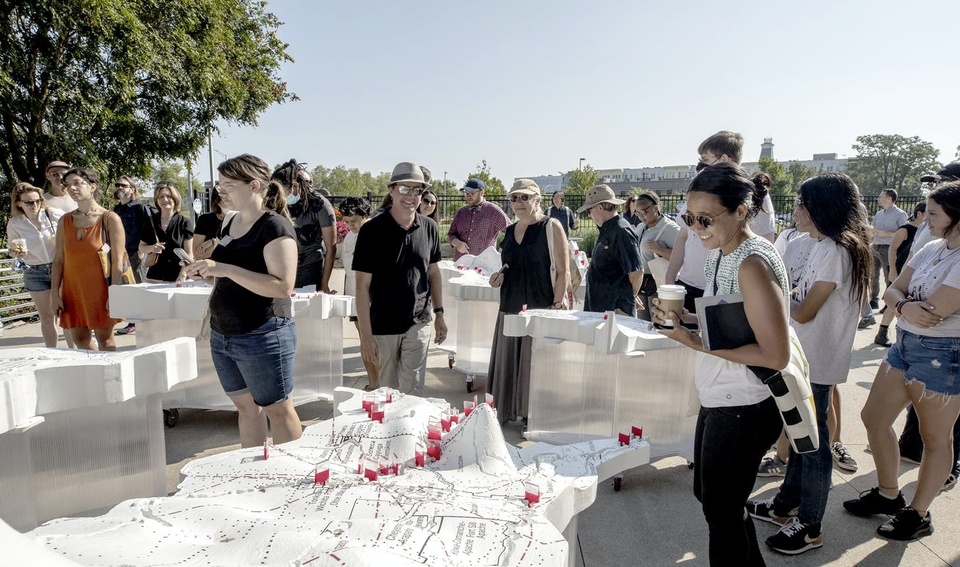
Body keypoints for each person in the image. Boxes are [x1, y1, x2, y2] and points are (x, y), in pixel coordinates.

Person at [652, 163, 790, 566]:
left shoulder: (751, 262)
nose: (696, 227)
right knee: (712, 496)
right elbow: (733, 318)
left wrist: (694, 341)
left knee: (721, 510)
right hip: (723, 394)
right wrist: (686, 319)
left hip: (746, 401)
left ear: (742, 211)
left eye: (706, 219)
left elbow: (775, 354)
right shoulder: (722, 251)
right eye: (689, 218)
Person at [745, 173, 871, 555]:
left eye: (801, 202)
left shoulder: (837, 250)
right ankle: (786, 505)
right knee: (801, 440)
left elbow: (804, 310)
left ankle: (811, 524)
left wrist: (768, 292)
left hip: (816, 361)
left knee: (813, 447)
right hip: (803, 358)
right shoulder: (817, 244)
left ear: (821, 208)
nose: (795, 209)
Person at [844, 179, 960, 541]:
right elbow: (895, 286)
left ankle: (918, 513)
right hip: (905, 345)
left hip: (943, 354)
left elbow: (937, 310)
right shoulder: (932, 248)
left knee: (934, 438)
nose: (924, 216)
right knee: (873, 417)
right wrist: (904, 304)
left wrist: (901, 304)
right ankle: (888, 493)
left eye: (934, 212)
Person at [181, 154, 302, 447]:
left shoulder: (275, 227)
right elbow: (233, 277)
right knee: (247, 408)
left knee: (277, 409)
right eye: (220, 185)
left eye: (228, 185)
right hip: (224, 333)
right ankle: (251, 474)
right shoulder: (231, 222)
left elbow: (282, 286)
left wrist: (221, 268)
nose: (220, 191)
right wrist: (207, 273)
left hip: (263, 332)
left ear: (254, 185)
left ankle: (297, 479)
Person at [353, 162, 447, 395]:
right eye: (405, 189)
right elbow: (362, 287)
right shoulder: (371, 231)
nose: (411, 196)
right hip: (383, 325)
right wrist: (366, 336)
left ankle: (410, 433)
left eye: (417, 191)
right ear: (392, 190)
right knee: (387, 393)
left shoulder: (430, 228)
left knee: (412, 392)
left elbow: (433, 273)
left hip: (418, 322)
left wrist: (440, 314)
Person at [487, 179, 569, 425]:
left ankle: (532, 417)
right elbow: (509, 264)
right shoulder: (510, 231)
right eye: (514, 198)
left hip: (540, 306)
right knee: (509, 361)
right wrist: (498, 276)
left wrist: (556, 305)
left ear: (537, 199)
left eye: (525, 197)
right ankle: (508, 410)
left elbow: (563, 270)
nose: (519, 203)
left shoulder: (551, 226)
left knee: (535, 365)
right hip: (510, 305)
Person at [51, 168, 125, 351]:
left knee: (105, 339)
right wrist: (54, 293)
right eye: (68, 185)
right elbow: (59, 259)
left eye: (77, 183)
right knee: (80, 339)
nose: (72, 188)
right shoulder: (65, 221)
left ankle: (110, 377)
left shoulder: (110, 219)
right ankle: (94, 375)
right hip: (73, 289)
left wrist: (113, 293)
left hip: (101, 288)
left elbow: (118, 260)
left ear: (92, 186)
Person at [6, 182, 67, 347]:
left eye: (37, 200)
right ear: (19, 203)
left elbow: (73, 225)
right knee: (47, 317)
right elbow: (12, 248)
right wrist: (16, 252)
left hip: (59, 268)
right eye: (29, 202)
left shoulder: (52, 214)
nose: (35, 205)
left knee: (66, 314)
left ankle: (74, 353)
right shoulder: (15, 223)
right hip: (34, 271)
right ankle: (52, 355)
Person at [270, 159, 338, 293]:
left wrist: (324, 284)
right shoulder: (276, 202)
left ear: (295, 186)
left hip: (309, 269)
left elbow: (331, 248)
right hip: (279, 266)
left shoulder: (320, 205)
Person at [578, 184, 643, 316]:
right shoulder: (609, 228)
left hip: (614, 309)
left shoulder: (621, 231)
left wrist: (630, 294)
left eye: (589, 211)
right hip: (602, 308)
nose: (589, 215)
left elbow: (636, 272)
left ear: (600, 207)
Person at [338, 196, 380, 391]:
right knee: (363, 340)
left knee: (375, 341)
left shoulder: (376, 233)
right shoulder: (349, 236)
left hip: (374, 297)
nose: (350, 225)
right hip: (355, 296)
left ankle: (383, 383)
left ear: (365, 215)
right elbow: (348, 269)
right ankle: (373, 382)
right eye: (346, 222)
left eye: (354, 221)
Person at [874, 202, 926, 347]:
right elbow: (892, 249)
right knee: (896, 304)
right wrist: (893, 270)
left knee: (899, 304)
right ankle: (883, 333)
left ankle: (889, 333)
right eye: (929, 213)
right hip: (902, 272)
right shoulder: (906, 229)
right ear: (920, 213)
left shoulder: (925, 230)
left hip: (915, 273)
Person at [860, 189, 909, 329]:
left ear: (889, 198)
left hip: (889, 248)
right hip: (875, 246)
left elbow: (904, 233)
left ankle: (888, 303)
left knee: (889, 277)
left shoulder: (900, 214)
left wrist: (886, 233)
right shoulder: (879, 214)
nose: (878, 198)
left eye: (881, 196)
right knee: (872, 275)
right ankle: (874, 300)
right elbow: (873, 229)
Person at [635, 191, 680, 321]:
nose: (642, 216)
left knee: (658, 322)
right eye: (638, 213)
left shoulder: (670, 228)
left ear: (656, 207)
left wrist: (658, 249)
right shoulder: (640, 227)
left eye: (645, 211)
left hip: (660, 282)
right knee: (642, 323)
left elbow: (682, 257)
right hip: (642, 282)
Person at [138, 183, 194, 283]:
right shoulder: (150, 221)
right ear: (157, 200)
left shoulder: (184, 222)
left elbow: (189, 253)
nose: (165, 199)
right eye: (161, 197)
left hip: (178, 277)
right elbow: (141, 247)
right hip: (155, 277)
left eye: (168, 196)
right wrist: (152, 248)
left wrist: (182, 275)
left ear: (175, 199)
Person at [447, 178, 510, 260]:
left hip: (484, 264)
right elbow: (451, 234)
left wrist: (502, 249)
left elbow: (511, 231)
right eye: (466, 193)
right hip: (461, 262)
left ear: (482, 192)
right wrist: (458, 243)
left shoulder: (493, 211)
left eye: (472, 193)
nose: (468, 196)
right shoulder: (461, 212)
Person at [193, 190, 226, 260]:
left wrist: (213, 242)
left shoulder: (242, 219)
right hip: (210, 269)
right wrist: (216, 243)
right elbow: (198, 254)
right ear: (217, 200)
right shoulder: (205, 219)